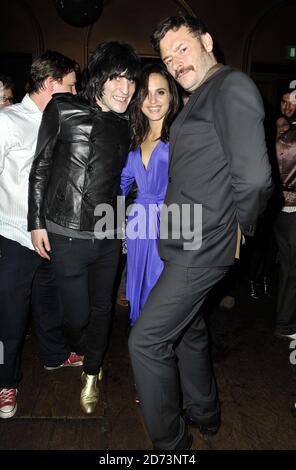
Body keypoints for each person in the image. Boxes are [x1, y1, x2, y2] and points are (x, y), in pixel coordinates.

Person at [128, 15, 273, 450]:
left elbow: (254, 179)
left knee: (145, 342)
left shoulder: (231, 87)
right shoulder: (201, 97)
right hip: (181, 240)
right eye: (168, 58)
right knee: (189, 331)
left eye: (182, 49)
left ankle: (172, 447)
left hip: (202, 244)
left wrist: (239, 230)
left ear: (207, 41)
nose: (175, 63)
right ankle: (206, 414)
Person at [27, 42, 141, 415]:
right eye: (116, 78)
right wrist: (36, 222)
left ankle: (92, 370)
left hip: (108, 232)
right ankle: (82, 349)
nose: (125, 88)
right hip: (66, 230)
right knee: (76, 315)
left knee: (103, 308)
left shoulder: (130, 124)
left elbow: (130, 181)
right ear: (100, 80)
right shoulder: (63, 108)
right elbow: (41, 166)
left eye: (130, 80)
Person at [0, 50, 79, 419]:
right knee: (10, 316)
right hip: (12, 237)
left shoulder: (61, 120)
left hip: (51, 234)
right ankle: (5, 381)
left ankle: (54, 355)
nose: (75, 91)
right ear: (51, 84)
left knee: (49, 303)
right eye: (70, 84)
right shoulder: (8, 121)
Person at [120, 63, 180, 325]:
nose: (152, 101)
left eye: (160, 92)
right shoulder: (135, 134)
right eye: (145, 93)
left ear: (172, 96)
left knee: (164, 293)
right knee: (138, 288)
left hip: (171, 222)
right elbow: (120, 184)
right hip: (138, 224)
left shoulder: (181, 134)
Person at [274, 125, 296, 340]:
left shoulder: (283, 138)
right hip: (292, 214)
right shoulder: (289, 138)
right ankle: (286, 324)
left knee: (287, 270)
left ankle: (283, 318)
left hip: (280, 213)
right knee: (292, 273)